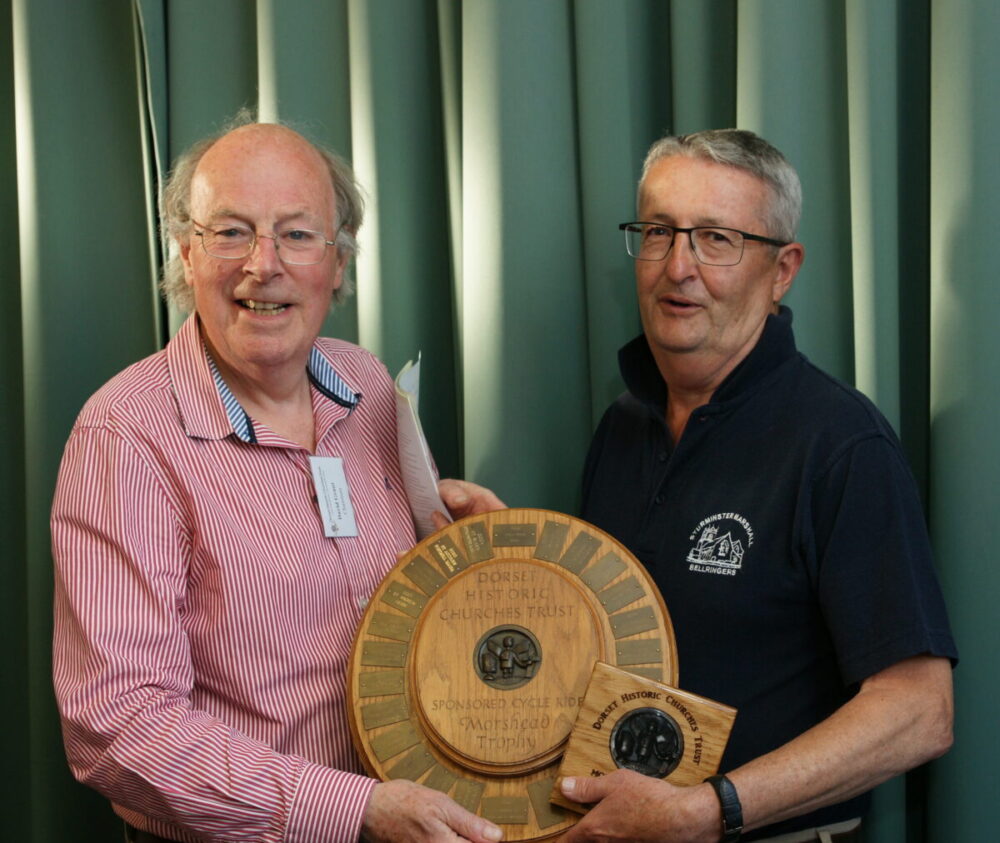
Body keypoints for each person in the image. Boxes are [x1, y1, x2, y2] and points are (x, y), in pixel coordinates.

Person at [440, 129, 957, 842]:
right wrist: (514, 558)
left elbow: (918, 710)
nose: (678, 266)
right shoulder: (623, 425)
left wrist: (707, 810)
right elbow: (616, 640)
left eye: (716, 238)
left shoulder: (841, 445)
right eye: (659, 232)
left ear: (782, 270)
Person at [51, 118, 502, 843]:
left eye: (296, 234)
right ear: (187, 252)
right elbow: (120, 728)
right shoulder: (125, 438)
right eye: (231, 232)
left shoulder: (368, 383)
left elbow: (381, 592)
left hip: (410, 810)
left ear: (339, 262)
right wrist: (353, 809)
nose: (265, 264)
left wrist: (454, 542)